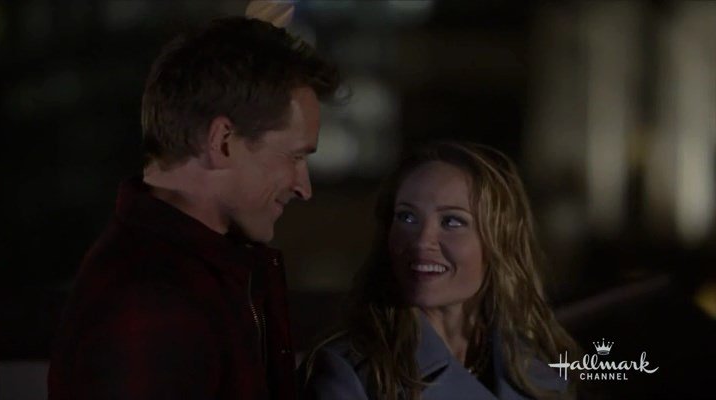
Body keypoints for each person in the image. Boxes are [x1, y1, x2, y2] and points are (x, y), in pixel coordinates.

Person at [48, 16, 340, 400]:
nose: (304, 188)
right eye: (295, 156)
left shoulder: (209, 273)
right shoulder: (151, 304)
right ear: (222, 142)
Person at [300, 141, 579, 400]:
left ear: (499, 242)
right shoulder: (350, 371)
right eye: (407, 217)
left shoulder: (539, 365)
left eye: (452, 222)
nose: (422, 241)